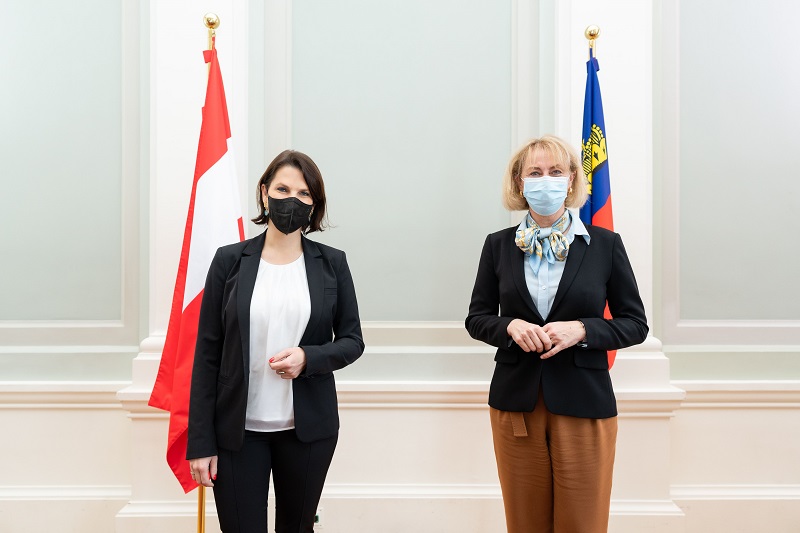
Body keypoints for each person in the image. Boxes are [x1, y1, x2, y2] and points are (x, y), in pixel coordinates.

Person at [465, 135, 648, 533]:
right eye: (534, 172)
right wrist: (509, 326)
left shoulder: (605, 245)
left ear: (571, 181)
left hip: (584, 401)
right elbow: (477, 318)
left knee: (583, 523)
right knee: (525, 523)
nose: (545, 180)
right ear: (519, 183)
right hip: (517, 402)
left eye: (555, 171)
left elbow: (635, 324)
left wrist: (583, 329)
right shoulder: (497, 246)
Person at [187, 150, 364, 532]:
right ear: (264, 193)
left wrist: (308, 357)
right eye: (283, 189)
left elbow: (352, 341)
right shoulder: (229, 261)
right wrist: (200, 442)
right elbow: (207, 354)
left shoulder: (332, 263)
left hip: (308, 432)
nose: (292, 200)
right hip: (236, 433)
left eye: (304, 193)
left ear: (314, 204)